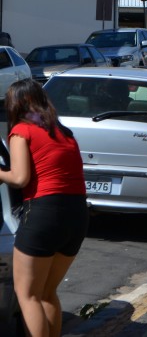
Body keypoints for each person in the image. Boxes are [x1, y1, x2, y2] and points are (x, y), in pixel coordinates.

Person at [0, 79, 88, 337]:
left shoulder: (21, 131)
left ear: (17, 103)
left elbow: (19, 178)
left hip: (44, 214)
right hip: (76, 216)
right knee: (47, 293)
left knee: (28, 296)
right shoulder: (63, 132)